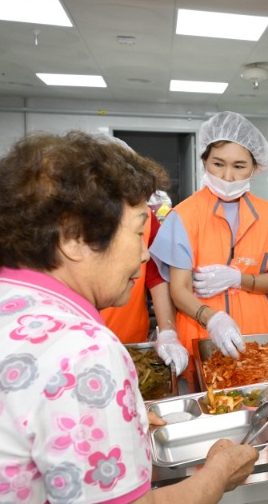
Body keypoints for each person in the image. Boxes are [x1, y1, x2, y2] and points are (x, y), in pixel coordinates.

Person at [0, 131, 258, 503]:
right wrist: (220, 472)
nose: (145, 256)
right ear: (74, 239)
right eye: (136, 233)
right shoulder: (83, 352)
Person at [150, 111, 268, 363]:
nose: (227, 176)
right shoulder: (184, 216)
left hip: (257, 338)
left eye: (239, 166)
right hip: (201, 337)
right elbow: (178, 289)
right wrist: (212, 319)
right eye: (218, 164)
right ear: (204, 161)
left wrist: (240, 279)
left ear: (255, 168)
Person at [95, 135, 188, 373]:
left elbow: (155, 277)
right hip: (83, 342)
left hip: (130, 342)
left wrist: (167, 330)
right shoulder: (72, 224)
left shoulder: (145, 218)